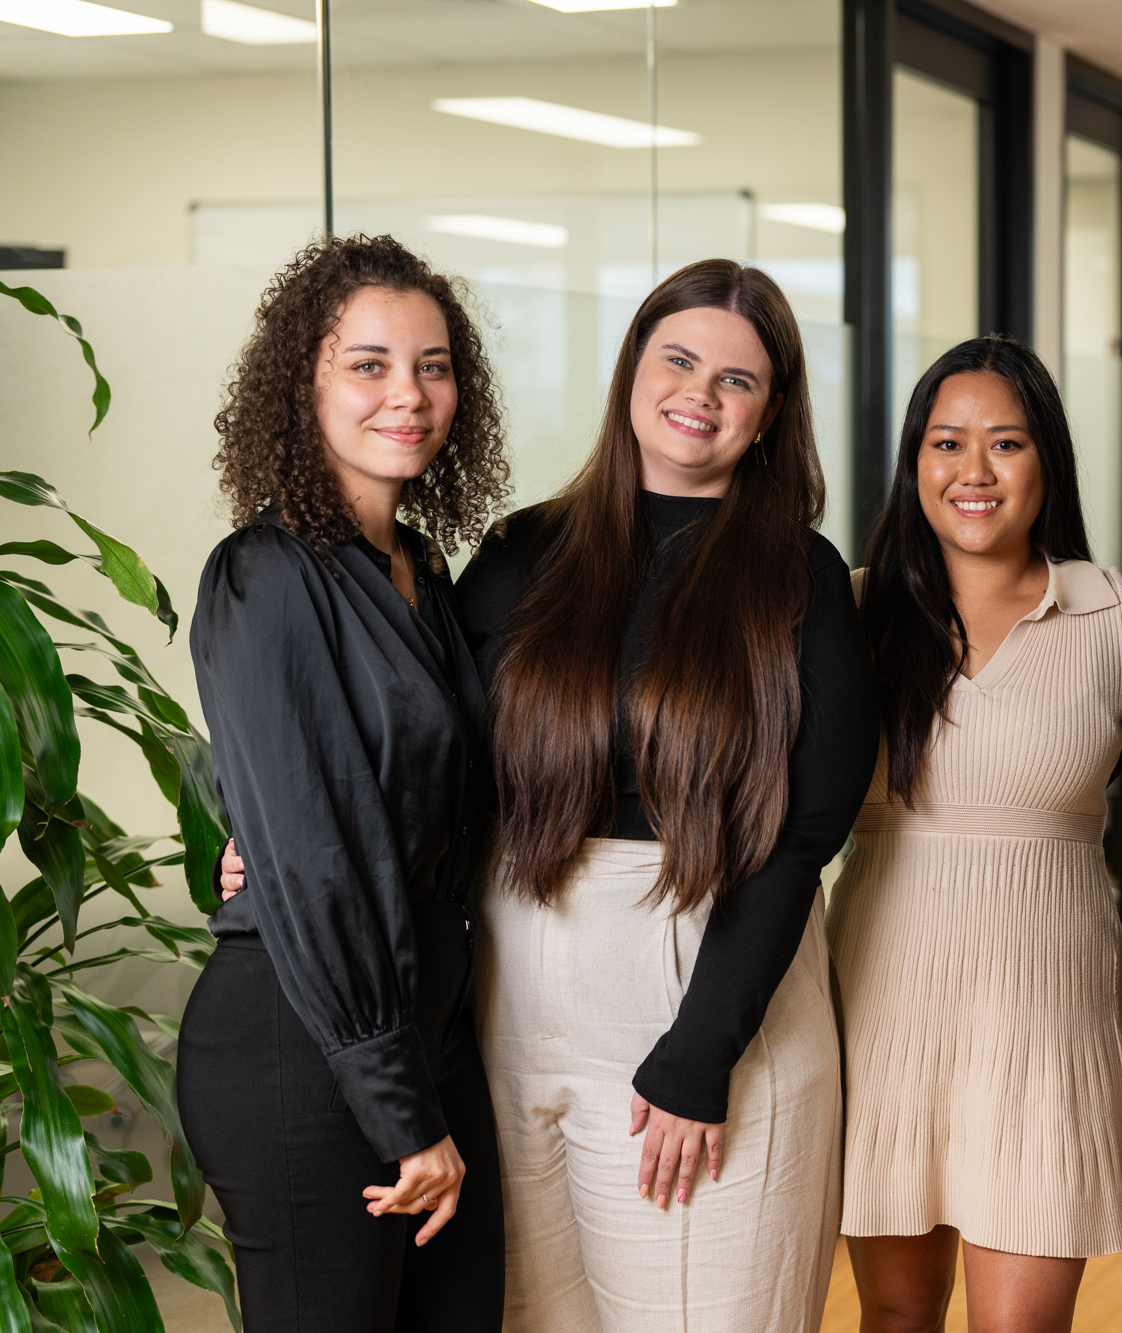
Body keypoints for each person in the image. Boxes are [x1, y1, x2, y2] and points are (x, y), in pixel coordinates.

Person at [459, 258, 878, 1331]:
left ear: (772, 412)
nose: (700, 393)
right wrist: (265, 843)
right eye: (678, 359)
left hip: (705, 1000)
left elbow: (804, 834)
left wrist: (701, 1055)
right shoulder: (520, 553)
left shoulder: (799, 577)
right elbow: (429, 752)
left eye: (737, 379)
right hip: (515, 1005)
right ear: (631, 372)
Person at [181, 233, 512, 1331]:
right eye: (368, 364)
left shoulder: (421, 570)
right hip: (306, 1043)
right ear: (303, 380)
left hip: (424, 1030)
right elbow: (319, 858)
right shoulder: (264, 575)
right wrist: (399, 1108)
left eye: (432, 364)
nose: (407, 395)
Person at [829, 336, 1122, 1333]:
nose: (971, 471)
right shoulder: (850, 614)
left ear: (1046, 464)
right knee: (894, 1316)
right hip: (884, 1007)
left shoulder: (1116, 618)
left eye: (1005, 443)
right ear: (913, 463)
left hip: (1045, 1026)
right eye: (946, 443)